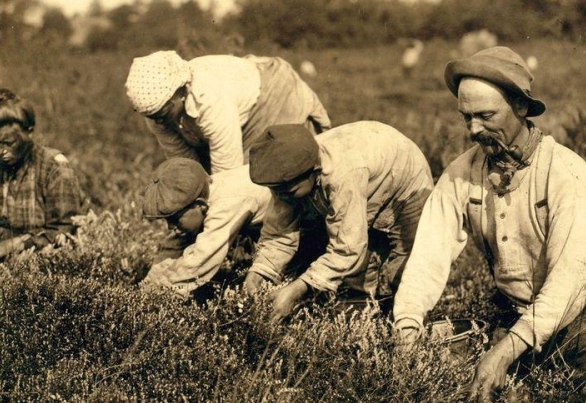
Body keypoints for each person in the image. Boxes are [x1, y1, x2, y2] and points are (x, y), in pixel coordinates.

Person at [393, 46, 586, 403]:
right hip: (517, 312)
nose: (473, 130)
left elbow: (569, 282)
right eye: (465, 117)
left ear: (522, 107)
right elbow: (427, 258)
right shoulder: (460, 174)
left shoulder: (565, 172)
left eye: (486, 117)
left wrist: (505, 351)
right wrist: (405, 327)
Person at [243, 122, 433, 322]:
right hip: (368, 175)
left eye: (286, 190)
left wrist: (297, 289)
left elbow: (347, 248)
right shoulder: (287, 174)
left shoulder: (342, 175)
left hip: (405, 180)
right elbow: (278, 234)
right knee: (357, 278)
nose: (281, 196)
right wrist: (258, 272)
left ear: (314, 171)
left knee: (406, 271)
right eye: (275, 189)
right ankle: (364, 326)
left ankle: (413, 334)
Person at [124, 51, 331, 175]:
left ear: (180, 92)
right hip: (233, 112)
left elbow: (227, 172)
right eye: (153, 116)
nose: (159, 120)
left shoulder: (209, 97)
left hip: (268, 97)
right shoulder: (156, 112)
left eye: (165, 112)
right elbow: (186, 164)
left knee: (277, 169)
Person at [0, 88, 84, 260]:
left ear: (29, 132)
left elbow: (65, 229)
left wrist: (13, 246)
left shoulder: (54, 167)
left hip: (49, 258)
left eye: (9, 143)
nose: (2, 152)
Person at [139, 157, 272, 295]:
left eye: (175, 220)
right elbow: (173, 246)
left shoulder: (226, 205)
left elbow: (200, 262)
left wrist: (161, 293)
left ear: (200, 206)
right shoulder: (201, 192)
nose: (170, 227)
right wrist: (149, 284)